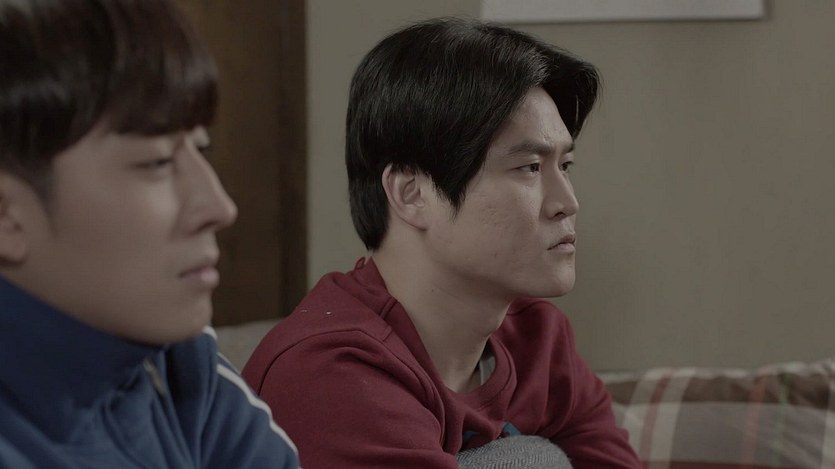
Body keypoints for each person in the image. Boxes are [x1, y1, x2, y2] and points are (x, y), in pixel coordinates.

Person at [244, 17, 640, 469]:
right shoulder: (329, 374)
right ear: (412, 194)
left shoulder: (538, 342)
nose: (567, 203)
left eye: (564, 166)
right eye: (529, 167)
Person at [0, 1, 299, 467]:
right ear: (6, 216)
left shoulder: (184, 366)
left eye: (201, 149)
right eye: (157, 162)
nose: (220, 207)